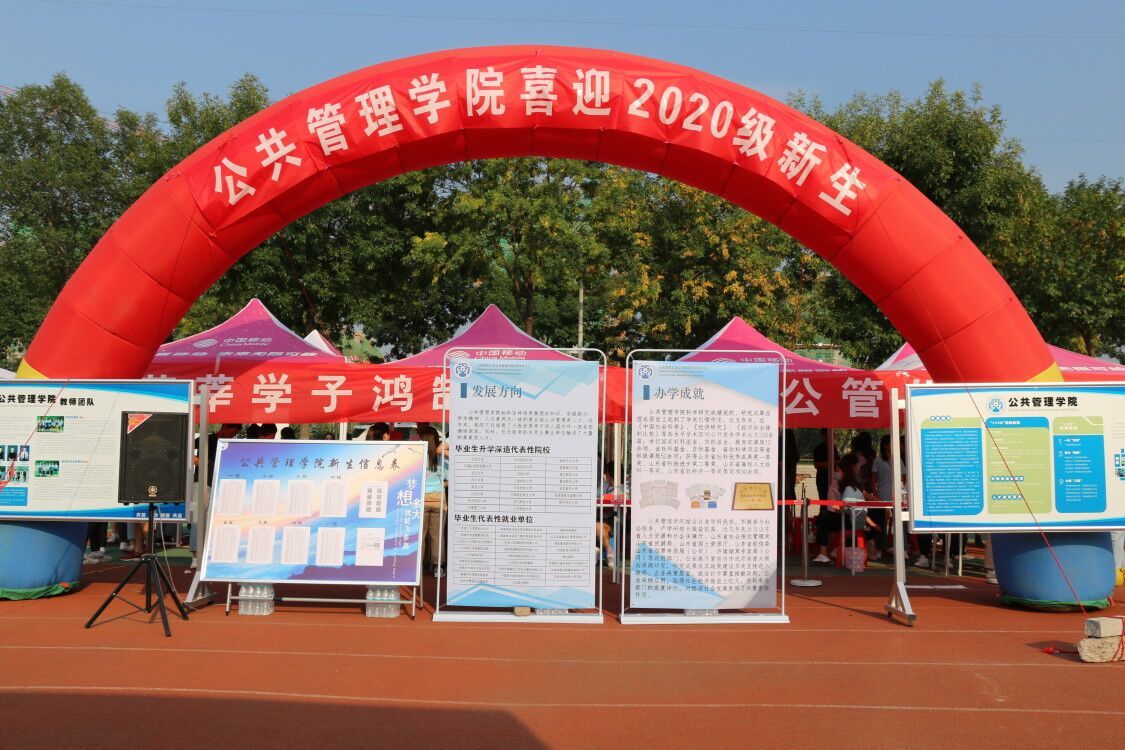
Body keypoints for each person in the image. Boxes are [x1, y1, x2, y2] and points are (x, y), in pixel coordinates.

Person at [812, 454, 884, 564]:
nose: (836, 473)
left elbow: (862, 499)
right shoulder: (841, 482)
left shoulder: (852, 484)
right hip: (845, 516)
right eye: (858, 465)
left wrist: (884, 505)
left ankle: (841, 548)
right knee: (824, 517)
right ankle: (829, 551)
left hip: (850, 517)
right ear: (853, 467)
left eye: (838, 470)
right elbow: (839, 506)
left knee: (824, 518)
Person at [421, 429, 449, 577]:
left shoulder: (419, 457)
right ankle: (439, 567)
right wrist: (440, 485)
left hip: (422, 499)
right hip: (438, 500)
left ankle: (418, 567)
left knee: (420, 535)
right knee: (437, 536)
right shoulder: (441, 458)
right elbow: (449, 480)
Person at [870, 435, 894, 556]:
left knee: (897, 522)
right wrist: (875, 496)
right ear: (885, 445)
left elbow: (903, 477)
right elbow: (873, 479)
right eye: (891, 442)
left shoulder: (897, 459)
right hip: (882, 495)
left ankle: (893, 546)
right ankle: (880, 548)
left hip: (896, 496)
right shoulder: (878, 460)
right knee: (881, 522)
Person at [812, 429, 839, 501]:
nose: (834, 435)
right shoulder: (819, 448)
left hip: (833, 478)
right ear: (823, 435)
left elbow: (838, 461)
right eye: (831, 433)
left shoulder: (834, 447)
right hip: (822, 478)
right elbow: (817, 464)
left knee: (833, 500)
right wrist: (832, 464)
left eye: (834, 433)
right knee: (824, 500)